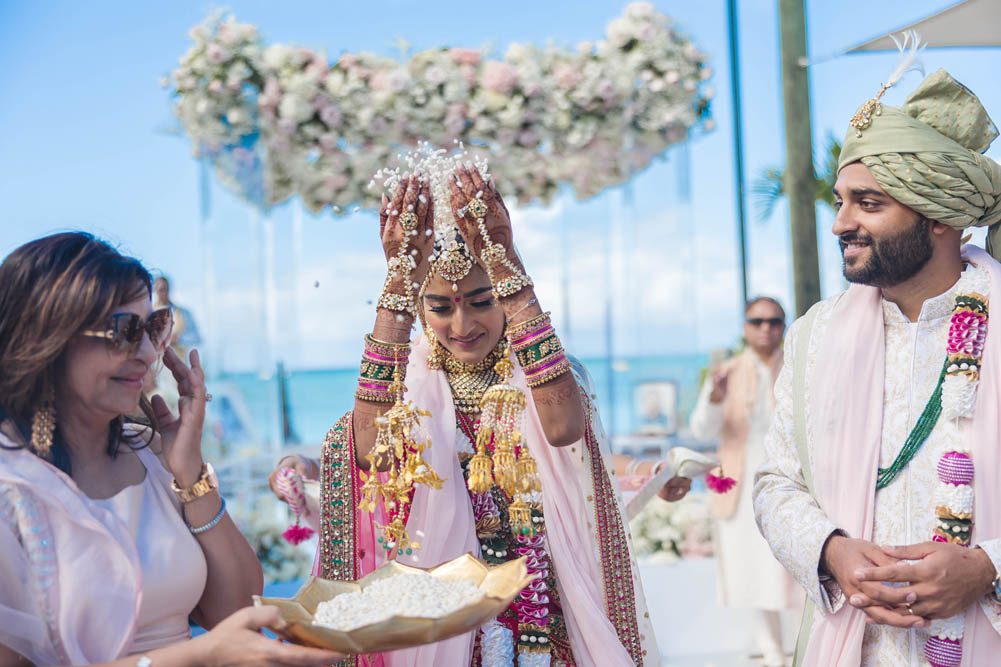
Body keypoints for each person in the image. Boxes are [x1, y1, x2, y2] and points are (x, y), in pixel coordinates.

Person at [270, 160, 691, 666]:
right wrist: (398, 285)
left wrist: (507, 262)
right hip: (444, 620)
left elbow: (563, 430)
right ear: (421, 309)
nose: (462, 324)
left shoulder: (546, 370)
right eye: (441, 307)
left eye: (480, 300)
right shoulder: (406, 386)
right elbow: (369, 456)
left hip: (545, 612)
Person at [0, 232, 343, 666]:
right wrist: (198, 658)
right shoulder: (11, 486)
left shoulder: (150, 456)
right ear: (46, 338)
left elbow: (239, 611)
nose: (147, 353)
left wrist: (190, 471)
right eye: (124, 330)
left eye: (153, 327)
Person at [753, 69, 1001, 666]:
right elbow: (776, 482)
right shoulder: (817, 335)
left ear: (938, 215)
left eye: (869, 204)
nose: (840, 224)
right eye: (842, 202)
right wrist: (833, 551)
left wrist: (988, 567)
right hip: (857, 648)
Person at [689, 296, 798, 666]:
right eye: (757, 321)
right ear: (744, 327)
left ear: (784, 325)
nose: (766, 328)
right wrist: (717, 396)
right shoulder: (728, 371)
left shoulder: (800, 367)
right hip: (739, 481)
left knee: (790, 565)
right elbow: (701, 429)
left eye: (774, 321)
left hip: (791, 479)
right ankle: (773, 652)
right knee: (752, 567)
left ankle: (801, 647)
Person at [154, 275, 202, 356]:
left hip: (178, 362)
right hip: (154, 364)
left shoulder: (183, 313)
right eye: (159, 290)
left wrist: (179, 339)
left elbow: (196, 337)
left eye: (164, 289)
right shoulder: (149, 314)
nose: (162, 293)